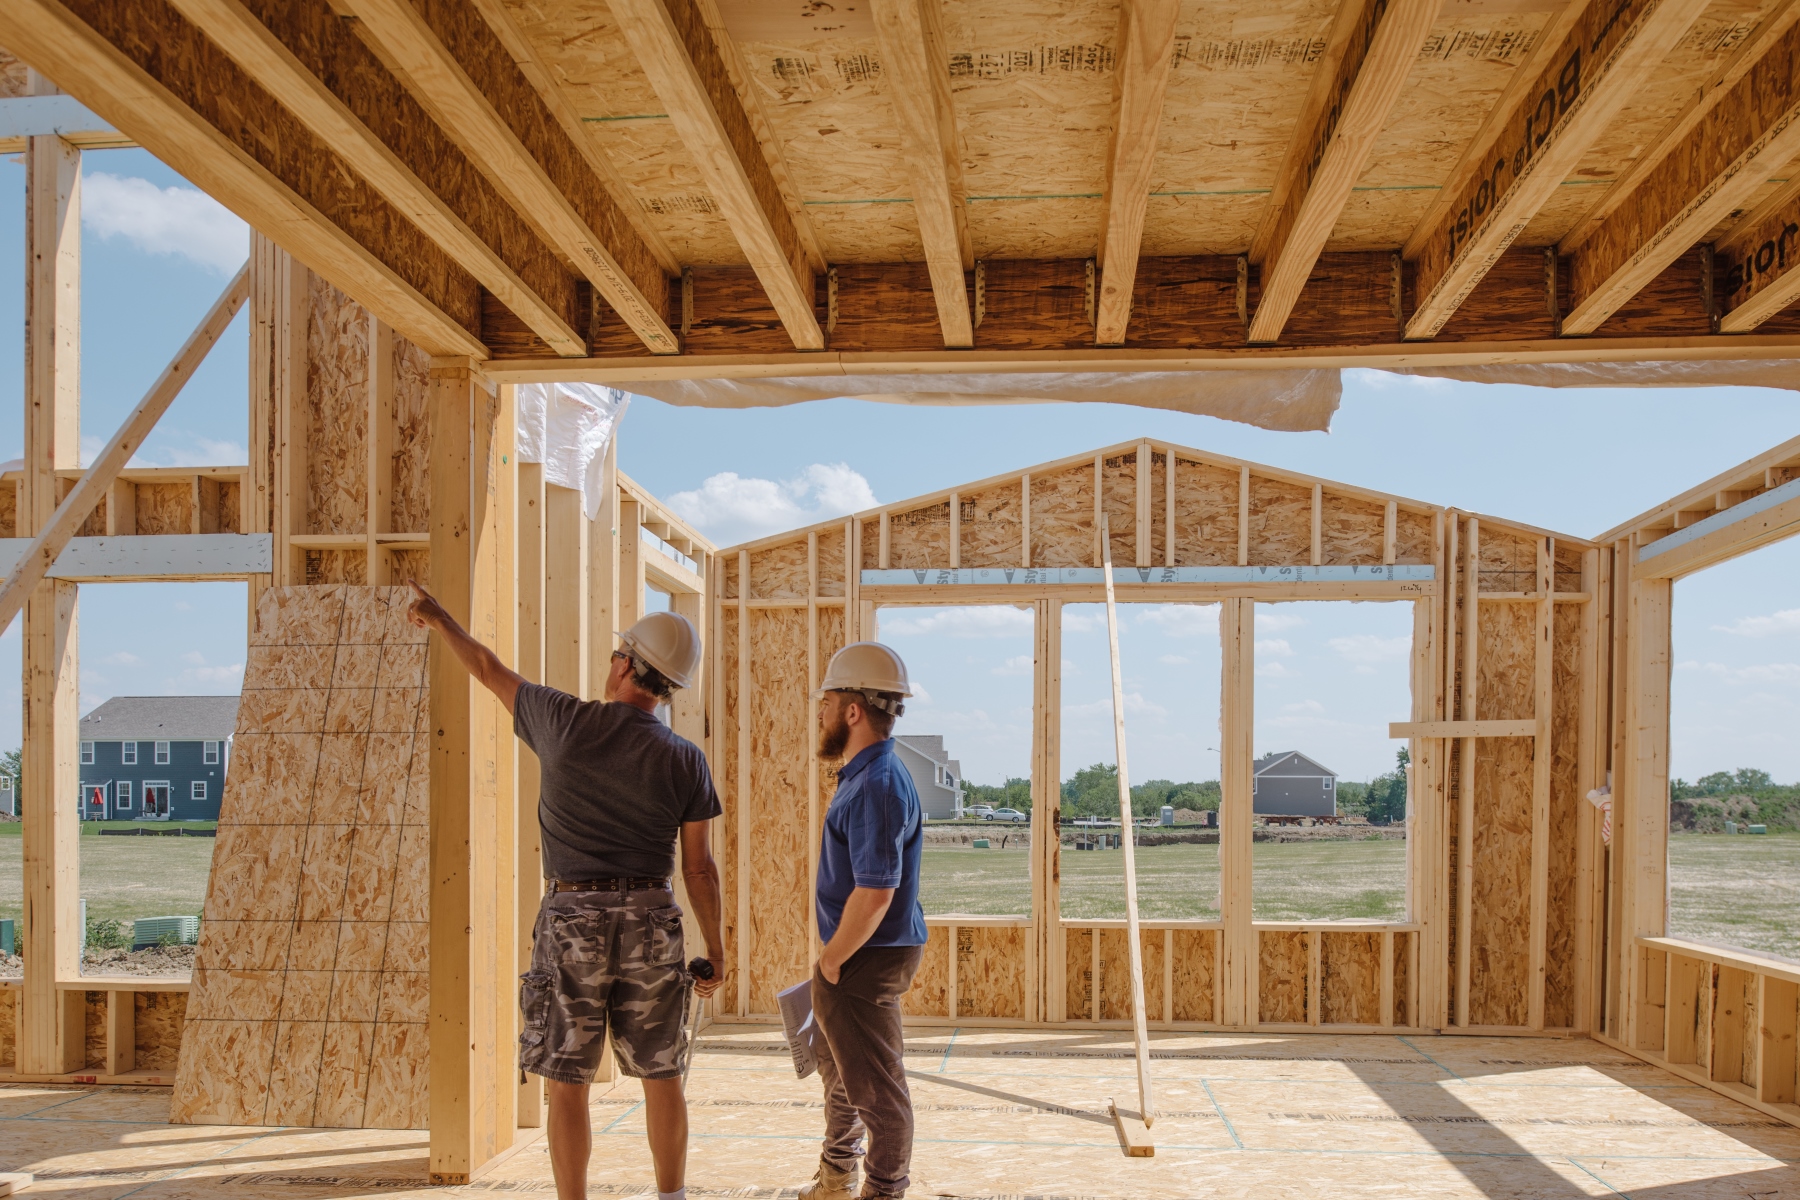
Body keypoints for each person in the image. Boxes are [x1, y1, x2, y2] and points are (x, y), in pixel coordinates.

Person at [407, 581, 724, 1200]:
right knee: (662, 1072)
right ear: (669, 686)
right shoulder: (686, 759)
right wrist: (715, 947)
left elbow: (486, 667)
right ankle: (672, 1196)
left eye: (616, 654)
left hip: (573, 916)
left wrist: (440, 618)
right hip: (652, 919)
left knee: (568, 1080)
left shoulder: (563, 723)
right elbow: (699, 868)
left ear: (626, 665)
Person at [799, 643, 928, 1200]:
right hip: (858, 954)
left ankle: (883, 1191)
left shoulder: (877, 784)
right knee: (844, 1077)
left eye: (827, 702)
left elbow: (876, 892)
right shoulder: (863, 775)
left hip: (863, 957)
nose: (821, 713)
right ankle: (835, 1179)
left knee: (878, 1093)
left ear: (853, 711)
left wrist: (831, 961)